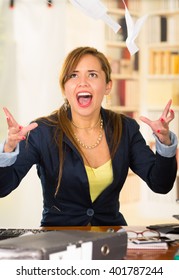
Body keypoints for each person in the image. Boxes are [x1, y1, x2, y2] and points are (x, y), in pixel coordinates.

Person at [0, 46, 178, 226]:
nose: (83, 82)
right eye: (73, 75)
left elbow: (160, 184)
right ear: (64, 88)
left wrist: (165, 143)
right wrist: (8, 150)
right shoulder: (41, 132)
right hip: (59, 243)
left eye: (92, 75)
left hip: (111, 240)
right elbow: (2, 187)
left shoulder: (125, 128)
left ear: (108, 85)